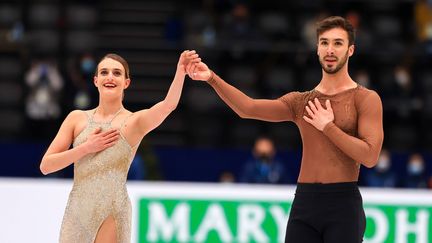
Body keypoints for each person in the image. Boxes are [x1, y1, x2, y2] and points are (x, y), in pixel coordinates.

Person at [187, 16, 383, 243]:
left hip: (343, 206)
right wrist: (211, 78)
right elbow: (247, 108)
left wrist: (327, 127)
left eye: (338, 43)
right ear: (317, 49)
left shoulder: (365, 99)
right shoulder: (301, 102)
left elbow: (370, 157)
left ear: (350, 50)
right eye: (324, 42)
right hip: (304, 203)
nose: (330, 49)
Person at [39, 50, 200, 243]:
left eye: (117, 73)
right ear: (96, 80)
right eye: (104, 72)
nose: (110, 77)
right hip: (77, 210)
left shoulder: (133, 122)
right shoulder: (76, 118)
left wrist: (180, 72)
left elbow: (168, 106)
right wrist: (86, 147)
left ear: (126, 82)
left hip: (113, 210)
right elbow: (46, 166)